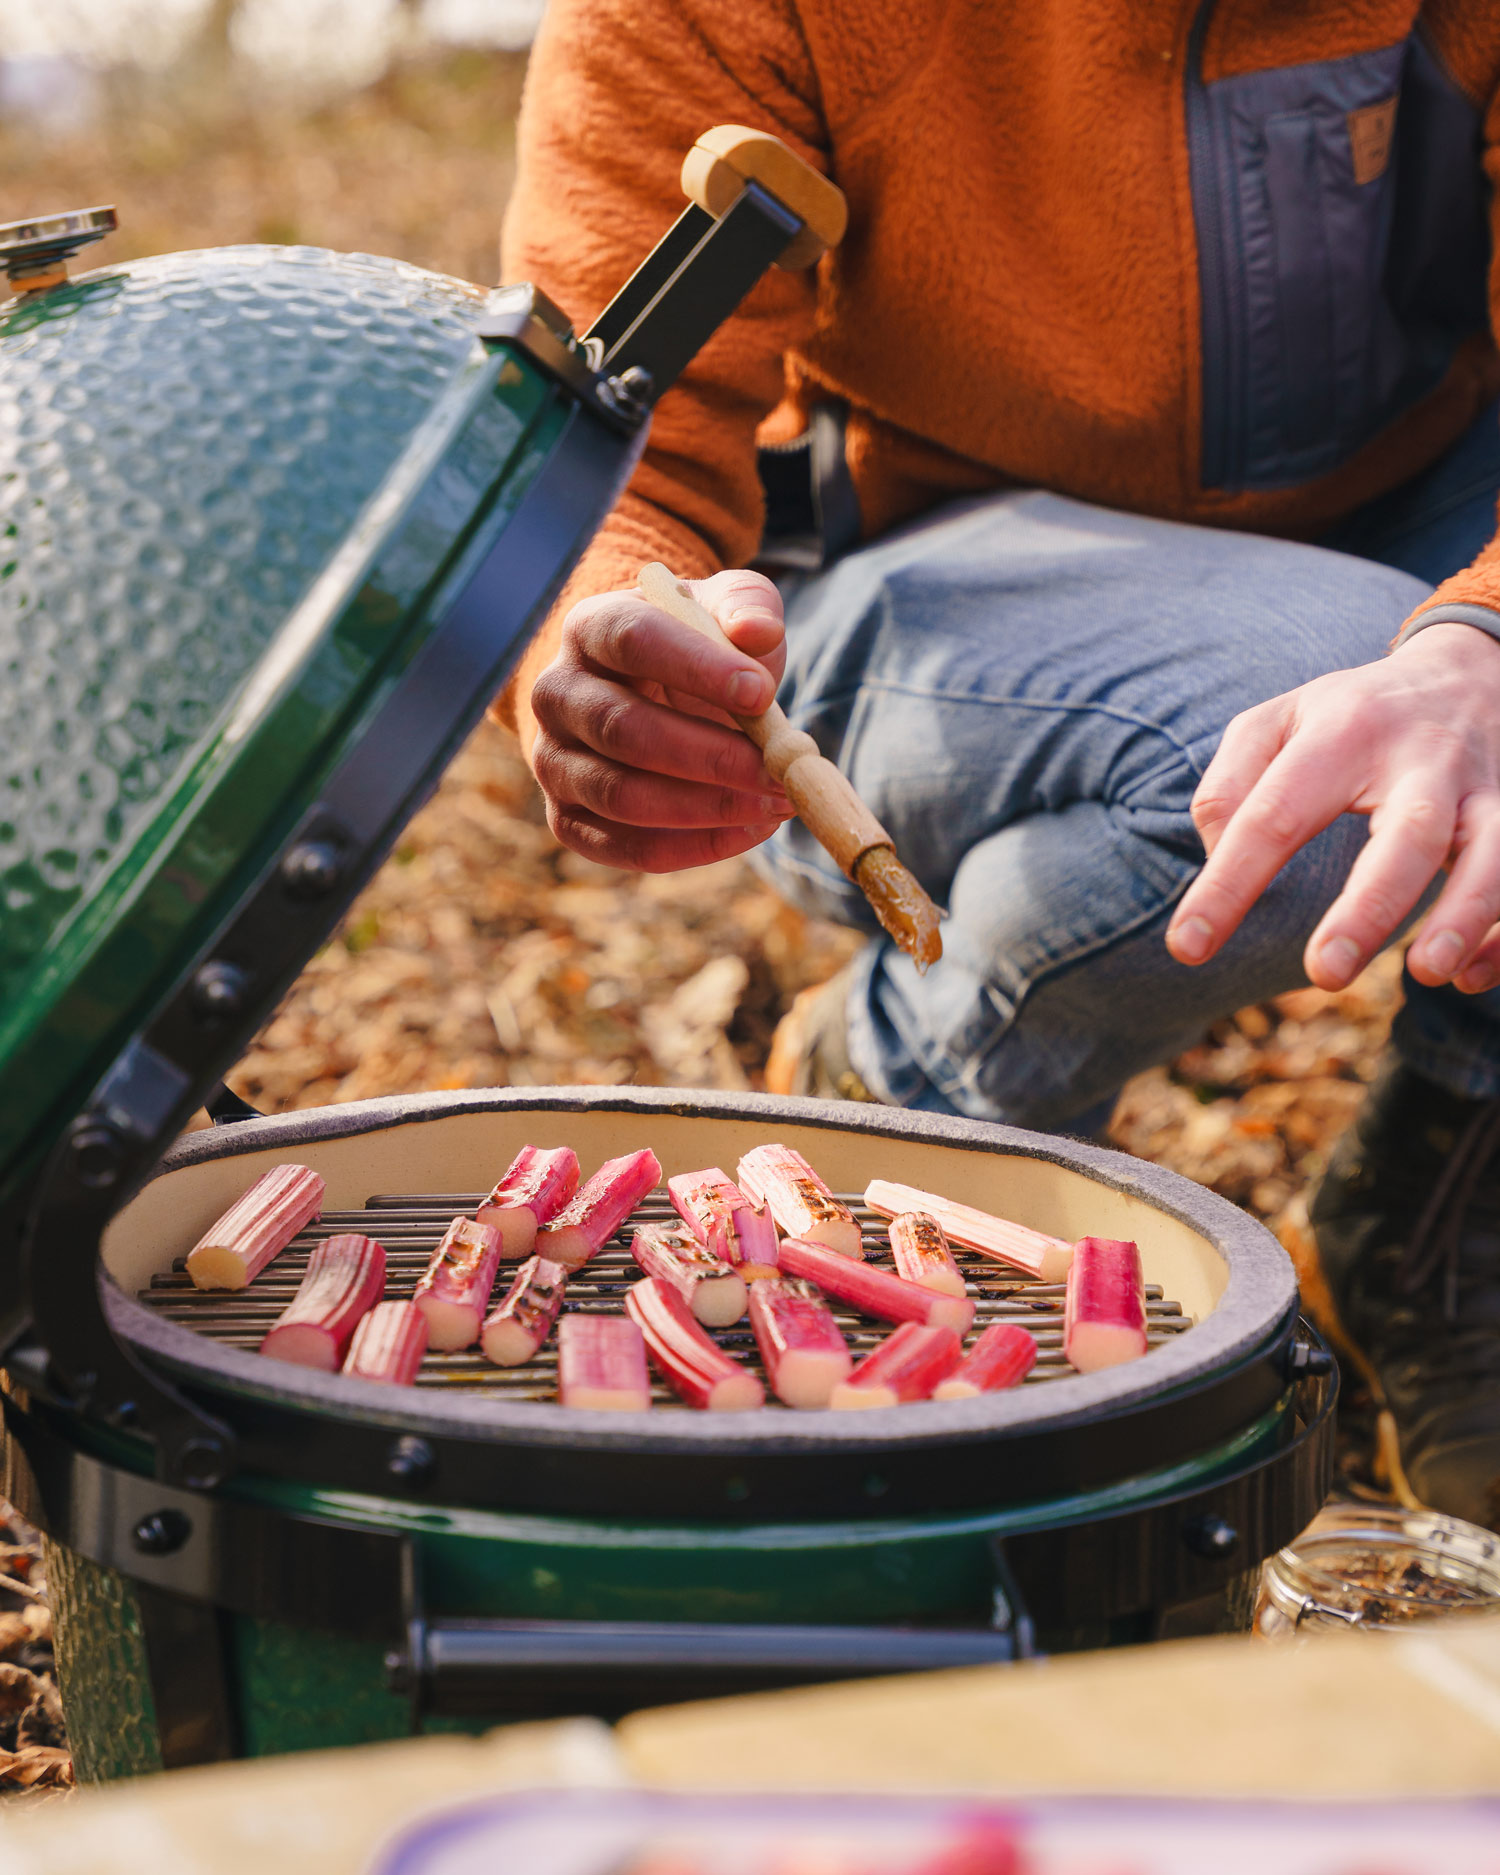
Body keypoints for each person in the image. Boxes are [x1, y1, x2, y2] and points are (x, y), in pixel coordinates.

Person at [495, 0, 1500, 1524]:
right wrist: (598, 638)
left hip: (1434, 512)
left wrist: (1483, 641)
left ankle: (1434, 1219)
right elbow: (597, 453)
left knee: (1411, 717)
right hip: (912, 593)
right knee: (1326, 763)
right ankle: (926, 1072)